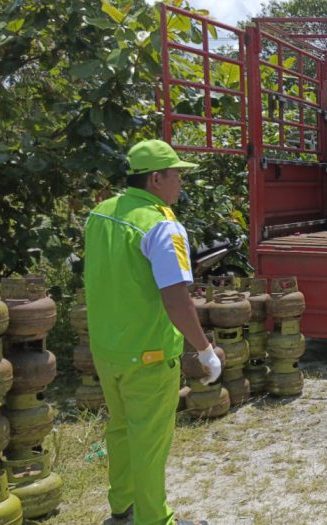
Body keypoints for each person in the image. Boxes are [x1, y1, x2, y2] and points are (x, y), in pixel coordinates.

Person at [84, 139, 221, 525]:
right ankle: (154, 519)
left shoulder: (100, 214)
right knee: (150, 442)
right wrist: (204, 349)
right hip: (149, 354)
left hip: (108, 350)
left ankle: (121, 508)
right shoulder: (162, 225)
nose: (181, 183)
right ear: (156, 178)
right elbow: (176, 298)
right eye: (177, 175)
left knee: (122, 429)